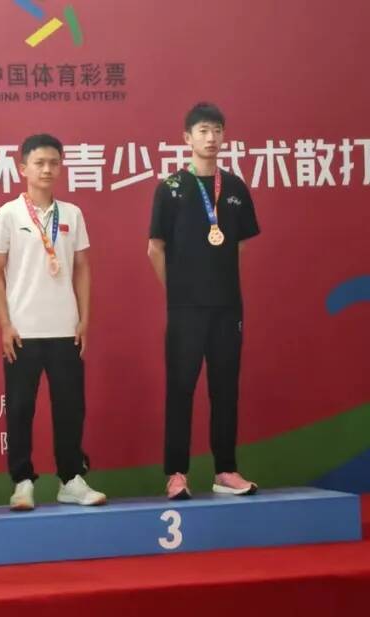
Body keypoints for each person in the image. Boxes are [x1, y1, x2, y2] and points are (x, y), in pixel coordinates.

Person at [0, 134, 106, 511]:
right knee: (20, 408)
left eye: (54, 162)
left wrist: (83, 319)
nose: (47, 169)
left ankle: (71, 479)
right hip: (22, 330)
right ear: (23, 168)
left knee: (70, 408)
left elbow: (82, 268)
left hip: (65, 329)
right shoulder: (7, 215)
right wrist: (5, 324)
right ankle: (22, 482)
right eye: (39, 163)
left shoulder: (72, 214)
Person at [148, 102, 261, 500]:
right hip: (185, 309)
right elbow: (155, 248)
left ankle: (225, 471)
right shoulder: (171, 188)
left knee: (225, 389)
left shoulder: (234, 188)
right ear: (187, 138)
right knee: (180, 389)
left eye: (217, 130)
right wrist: (178, 291)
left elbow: (239, 247)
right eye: (203, 131)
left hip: (227, 308)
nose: (211, 138)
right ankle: (177, 474)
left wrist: (219, 285)